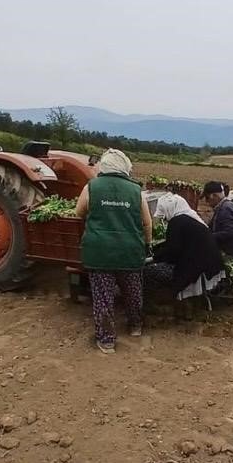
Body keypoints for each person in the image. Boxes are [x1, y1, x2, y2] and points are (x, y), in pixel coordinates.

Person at [75, 149, 152, 354]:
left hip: (99, 252)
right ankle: (135, 326)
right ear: (125, 167)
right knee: (133, 292)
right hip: (130, 251)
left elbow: (78, 212)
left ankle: (107, 341)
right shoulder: (136, 191)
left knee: (103, 297)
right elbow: (146, 223)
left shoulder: (92, 187)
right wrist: (148, 245)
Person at [145, 193, 226, 300]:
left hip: (198, 268)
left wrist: (153, 259)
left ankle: (168, 300)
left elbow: (173, 251)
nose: (164, 219)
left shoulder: (176, 222)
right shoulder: (191, 218)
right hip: (212, 264)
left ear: (169, 209)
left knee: (150, 272)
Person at [203, 180, 233, 258]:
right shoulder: (223, 206)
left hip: (231, 253)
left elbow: (229, 232)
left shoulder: (226, 208)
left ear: (214, 196)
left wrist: (208, 236)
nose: (206, 202)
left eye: (207, 198)